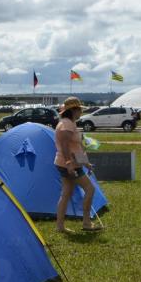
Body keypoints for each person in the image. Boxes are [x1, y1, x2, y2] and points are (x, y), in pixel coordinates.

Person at [54, 97, 103, 233]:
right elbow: (64, 146)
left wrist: (85, 163)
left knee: (66, 194)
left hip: (67, 163)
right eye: (79, 110)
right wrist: (69, 164)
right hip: (69, 164)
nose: (81, 112)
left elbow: (74, 147)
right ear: (73, 110)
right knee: (90, 189)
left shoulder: (68, 123)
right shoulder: (67, 124)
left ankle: (60, 226)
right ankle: (86, 222)